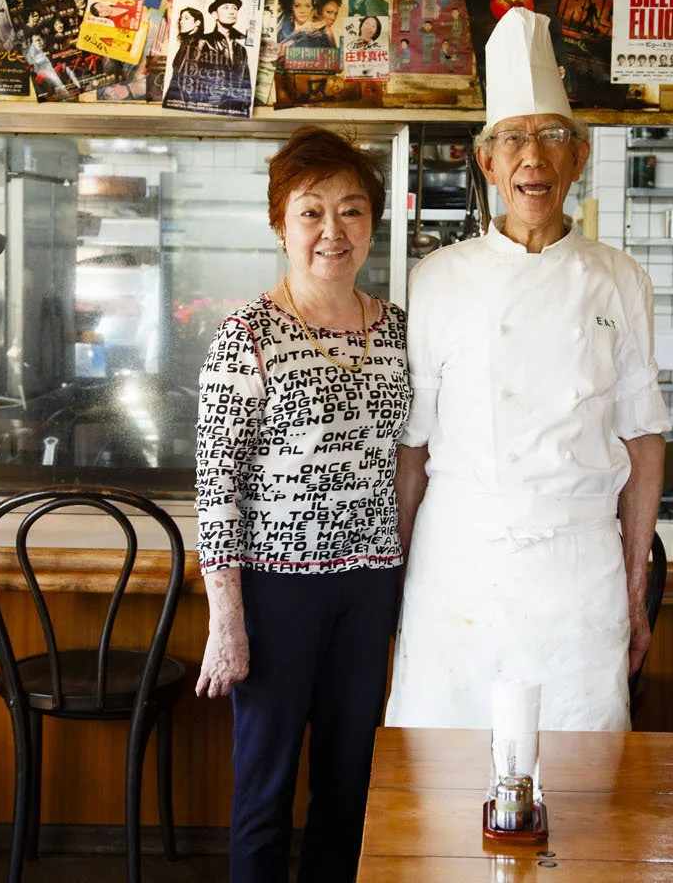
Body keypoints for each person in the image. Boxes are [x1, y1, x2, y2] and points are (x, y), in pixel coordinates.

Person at [386, 6, 669, 733]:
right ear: (486, 161)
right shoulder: (434, 279)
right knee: (440, 778)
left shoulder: (622, 278)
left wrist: (635, 587)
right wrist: (402, 576)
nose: (532, 159)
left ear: (578, 157)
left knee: (577, 777)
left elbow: (643, 440)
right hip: (459, 567)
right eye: (513, 139)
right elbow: (412, 449)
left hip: (578, 570)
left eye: (551, 139)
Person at [195, 126, 409, 882]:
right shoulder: (246, 334)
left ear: (373, 224)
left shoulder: (396, 331)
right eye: (311, 211)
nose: (332, 231)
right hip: (276, 587)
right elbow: (216, 485)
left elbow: (410, 461)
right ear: (280, 223)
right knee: (265, 787)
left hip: (370, 583)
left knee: (349, 784)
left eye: (351, 211)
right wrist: (227, 620)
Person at [190, 0, 253, 113]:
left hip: (235, 110)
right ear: (215, 15)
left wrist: (244, 106)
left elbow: (246, 83)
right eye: (225, 7)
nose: (232, 11)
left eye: (235, 8)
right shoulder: (203, 41)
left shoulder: (241, 49)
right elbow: (190, 77)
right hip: (208, 109)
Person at [163, 6, 205, 106]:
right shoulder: (187, 42)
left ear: (197, 23)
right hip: (176, 97)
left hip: (184, 99)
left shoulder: (198, 44)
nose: (181, 21)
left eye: (186, 18)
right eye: (181, 19)